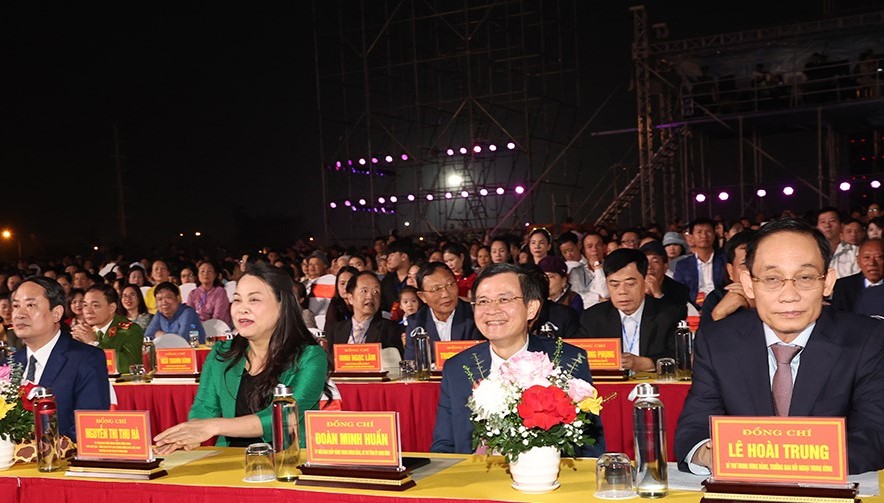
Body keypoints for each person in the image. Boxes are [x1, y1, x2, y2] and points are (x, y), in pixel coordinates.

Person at [674, 218, 884, 475]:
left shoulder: (867, 339)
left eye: (805, 277)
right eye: (772, 278)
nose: (789, 295)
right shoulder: (717, 341)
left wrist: (774, 460)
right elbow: (694, 428)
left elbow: (874, 435)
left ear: (827, 282)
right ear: (749, 284)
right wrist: (707, 452)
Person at [430, 262, 605, 456]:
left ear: (531, 308)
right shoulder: (457, 368)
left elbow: (590, 447)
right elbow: (444, 446)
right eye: (482, 301)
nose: (491, 310)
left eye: (504, 299)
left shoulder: (566, 360)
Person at [153, 264, 328, 452]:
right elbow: (204, 408)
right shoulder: (221, 354)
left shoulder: (310, 357)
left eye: (254, 300)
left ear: (282, 306)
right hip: (231, 461)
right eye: (237, 300)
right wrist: (191, 433)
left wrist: (213, 426)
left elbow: (283, 417)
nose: (242, 309)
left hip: (286, 463)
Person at [12, 277, 110, 440]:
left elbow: (89, 430)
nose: (19, 314)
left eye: (30, 305)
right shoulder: (9, 364)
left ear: (56, 313)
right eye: (16, 306)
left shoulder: (86, 359)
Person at [578, 249, 686, 371]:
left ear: (645, 281)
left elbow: (681, 356)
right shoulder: (593, 317)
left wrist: (647, 363)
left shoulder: (669, 314)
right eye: (614, 285)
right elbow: (577, 358)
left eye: (630, 284)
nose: (622, 292)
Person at [404, 262, 482, 361]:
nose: (445, 294)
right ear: (422, 297)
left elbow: (480, 359)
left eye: (450, 284)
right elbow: (412, 363)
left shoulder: (474, 315)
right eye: (435, 289)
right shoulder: (416, 323)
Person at [72, 284, 144, 373]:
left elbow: (128, 366)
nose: (88, 311)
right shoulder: (85, 331)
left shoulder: (131, 330)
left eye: (95, 306)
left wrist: (94, 344)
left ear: (112, 308)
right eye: (85, 305)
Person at [328, 271, 403, 356]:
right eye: (364, 291)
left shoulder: (390, 329)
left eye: (376, 292)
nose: (370, 296)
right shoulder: (336, 330)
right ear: (350, 298)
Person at [699, 231, 755, 328]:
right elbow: (701, 342)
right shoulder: (716, 299)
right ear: (730, 271)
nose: (752, 270)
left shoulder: (781, 296)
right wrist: (719, 314)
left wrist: (754, 307)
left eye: (757, 263)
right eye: (745, 264)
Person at [674, 218, 727, 309]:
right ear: (691, 237)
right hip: (693, 309)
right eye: (699, 232)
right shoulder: (683, 265)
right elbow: (679, 292)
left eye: (708, 231)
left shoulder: (725, 260)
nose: (704, 235)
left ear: (714, 235)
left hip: (721, 306)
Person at [830, 238, 883, 313]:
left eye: (879, 257)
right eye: (866, 258)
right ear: (858, 260)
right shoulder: (843, 287)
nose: (872, 263)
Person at [640, 240, 689, 308]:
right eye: (645, 262)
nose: (649, 267)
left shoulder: (680, 290)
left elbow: (676, 315)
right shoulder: (632, 286)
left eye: (655, 262)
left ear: (665, 267)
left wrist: (658, 294)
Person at [569, 232, 610, 309]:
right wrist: (597, 298)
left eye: (598, 245)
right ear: (584, 250)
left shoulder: (612, 268)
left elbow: (605, 294)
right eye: (590, 246)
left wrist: (598, 267)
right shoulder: (576, 272)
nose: (594, 249)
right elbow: (575, 296)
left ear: (604, 248)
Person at [817, 207, 859, 279]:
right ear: (817, 227)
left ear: (841, 226)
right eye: (823, 222)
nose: (827, 225)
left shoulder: (855, 252)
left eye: (832, 221)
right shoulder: (811, 252)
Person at [186, 261, 232, 326]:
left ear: (215, 275)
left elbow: (218, 316)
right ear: (198, 274)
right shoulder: (193, 293)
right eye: (202, 271)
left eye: (209, 271)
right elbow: (189, 315)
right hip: (197, 328)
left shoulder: (220, 291)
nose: (205, 274)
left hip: (216, 328)